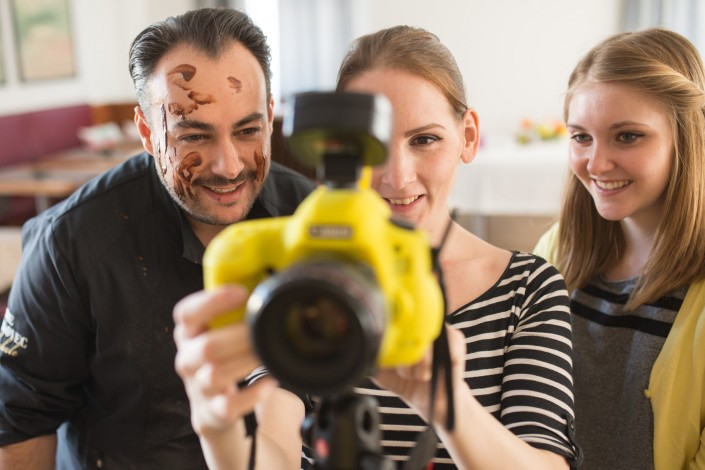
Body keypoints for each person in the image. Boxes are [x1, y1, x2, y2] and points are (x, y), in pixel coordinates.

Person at [174, 25, 581, 469]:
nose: (397, 177)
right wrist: (219, 429)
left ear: (468, 136)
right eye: (371, 151)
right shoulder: (303, 277)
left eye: (424, 139)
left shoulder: (528, 289)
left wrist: (445, 404)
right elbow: (274, 455)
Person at [0, 7, 315, 470]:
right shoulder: (69, 242)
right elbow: (21, 422)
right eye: (195, 137)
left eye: (248, 130)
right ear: (147, 132)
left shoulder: (309, 219)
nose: (229, 166)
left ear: (269, 117)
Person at [533, 28, 705, 470]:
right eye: (581, 137)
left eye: (627, 136)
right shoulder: (558, 250)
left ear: (687, 137)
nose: (596, 163)